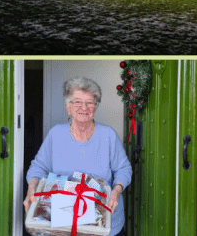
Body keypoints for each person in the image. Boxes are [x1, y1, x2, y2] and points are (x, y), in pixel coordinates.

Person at [23, 77, 132, 236]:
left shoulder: (108, 135)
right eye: (77, 102)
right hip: (63, 224)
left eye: (90, 102)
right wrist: (31, 189)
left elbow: (124, 169)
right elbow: (38, 167)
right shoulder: (56, 134)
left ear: (96, 106)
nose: (84, 107)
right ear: (68, 107)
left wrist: (116, 191)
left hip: (103, 224)